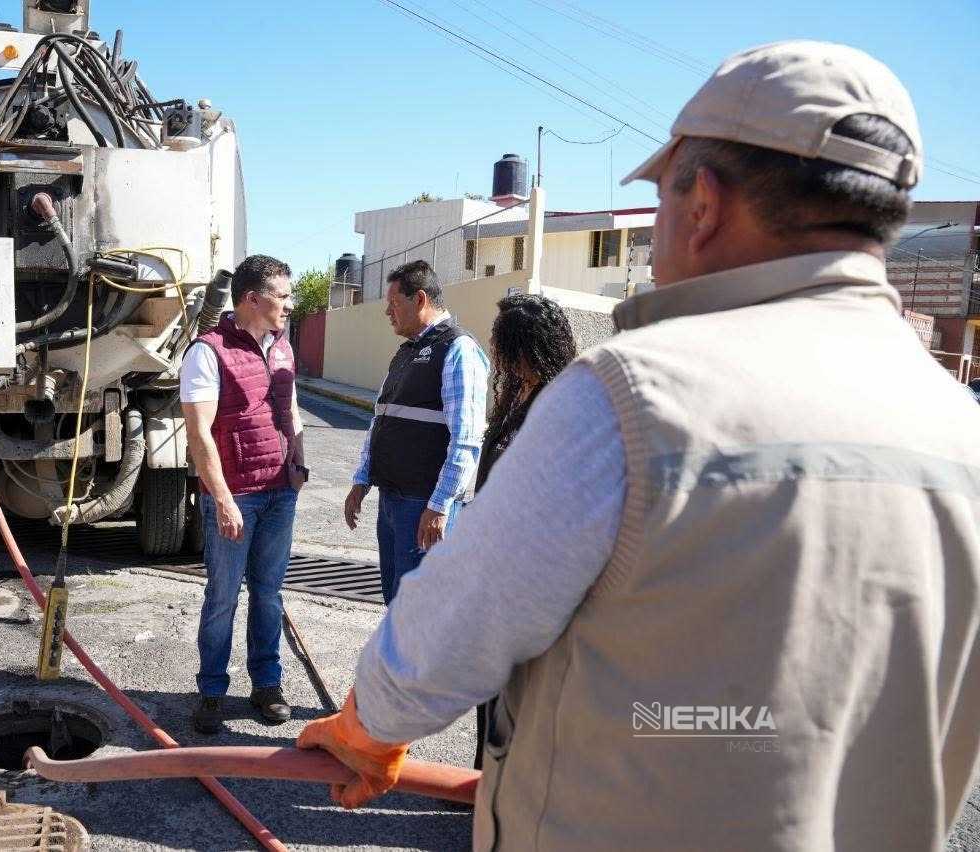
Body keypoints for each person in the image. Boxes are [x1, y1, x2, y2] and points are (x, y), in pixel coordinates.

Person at [299, 41, 980, 850]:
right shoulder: (960, 427)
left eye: (660, 195)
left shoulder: (632, 397)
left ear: (705, 203)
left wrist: (366, 730)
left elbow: (449, 633)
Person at [181, 254, 306, 734]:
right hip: (238, 497)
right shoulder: (207, 352)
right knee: (223, 597)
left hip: (280, 492)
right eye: (284, 295)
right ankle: (212, 691)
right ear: (253, 298)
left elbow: (291, 408)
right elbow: (200, 435)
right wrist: (223, 498)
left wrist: (297, 460)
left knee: (269, 596)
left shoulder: (282, 347)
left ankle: (266, 686)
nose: (291, 305)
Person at [469, 293, 577, 771]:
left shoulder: (561, 406)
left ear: (526, 348)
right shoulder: (519, 394)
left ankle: (510, 785)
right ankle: (486, 777)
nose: (495, 350)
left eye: (502, 343)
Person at [343, 260, 489, 603]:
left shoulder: (457, 349)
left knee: (419, 612)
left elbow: (465, 440)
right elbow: (381, 418)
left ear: (420, 299)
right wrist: (362, 480)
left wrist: (439, 506)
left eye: (394, 304)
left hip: (423, 506)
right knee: (397, 604)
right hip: (393, 501)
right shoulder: (406, 353)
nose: (388, 313)